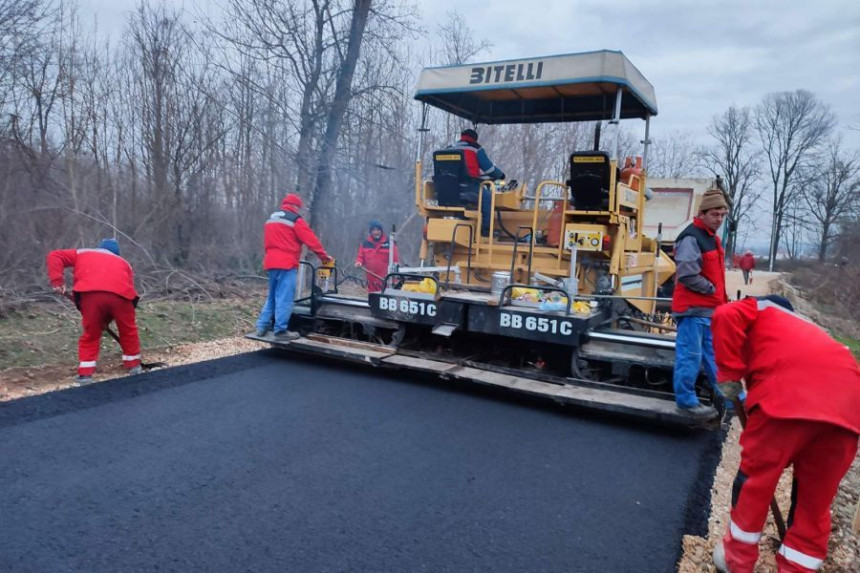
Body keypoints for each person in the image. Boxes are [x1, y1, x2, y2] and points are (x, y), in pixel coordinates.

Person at [711, 295, 859, 573]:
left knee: (756, 482)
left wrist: (729, 374)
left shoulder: (762, 308)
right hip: (849, 411)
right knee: (815, 500)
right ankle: (797, 567)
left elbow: (724, 315)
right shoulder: (811, 333)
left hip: (787, 400)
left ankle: (736, 560)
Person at [46, 238, 142, 385]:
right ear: (117, 253)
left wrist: (57, 281)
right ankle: (134, 365)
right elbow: (128, 292)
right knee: (128, 330)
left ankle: (85, 375)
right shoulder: (124, 263)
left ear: (99, 248)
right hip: (122, 297)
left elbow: (55, 255)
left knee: (91, 334)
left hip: (90, 296)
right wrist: (108, 318)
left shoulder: (82, 253)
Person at [671, 188, 730, 420]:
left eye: (722, 215)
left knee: (715, 358)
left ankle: (731, 398)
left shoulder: (711, 238)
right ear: (703, 213)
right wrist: (712, 290)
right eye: (715, 214)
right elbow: (687, 274)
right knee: (690, 357)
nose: (719, 219)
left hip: (709, 311)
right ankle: (686, 402)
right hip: (693, 310)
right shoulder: (692, 237)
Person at [256, 193, 332, 341]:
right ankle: (280, 331)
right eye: (299, 208)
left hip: (271, 262)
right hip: (286, 263)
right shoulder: (295, 219)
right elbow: (311, 239)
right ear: (295, 206)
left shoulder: (271, 219)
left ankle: (261, 326)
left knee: (272, 296)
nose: (299, 210)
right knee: (285, 297)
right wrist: (323, 256)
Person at [447, 128, 505, 237]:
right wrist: (500, 175)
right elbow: (489, 169)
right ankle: (486, 229)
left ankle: (462, 218)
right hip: (469, 187)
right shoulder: (475, 148)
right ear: (475, 139)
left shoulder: (449, 148)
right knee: (488, 197)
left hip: (449, 189)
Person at [355, 220, 399, 293]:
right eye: (374, 230)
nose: (376, 232)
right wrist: (358, 262)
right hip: (371, 278)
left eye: (378, 230)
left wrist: (394, 279)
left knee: (384, 296)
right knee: (372, 297)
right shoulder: (365, 243)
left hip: (385, 279)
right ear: (371, 231)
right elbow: (360, 257)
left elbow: (395, 261)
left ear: (381, 231)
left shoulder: (390, 243)